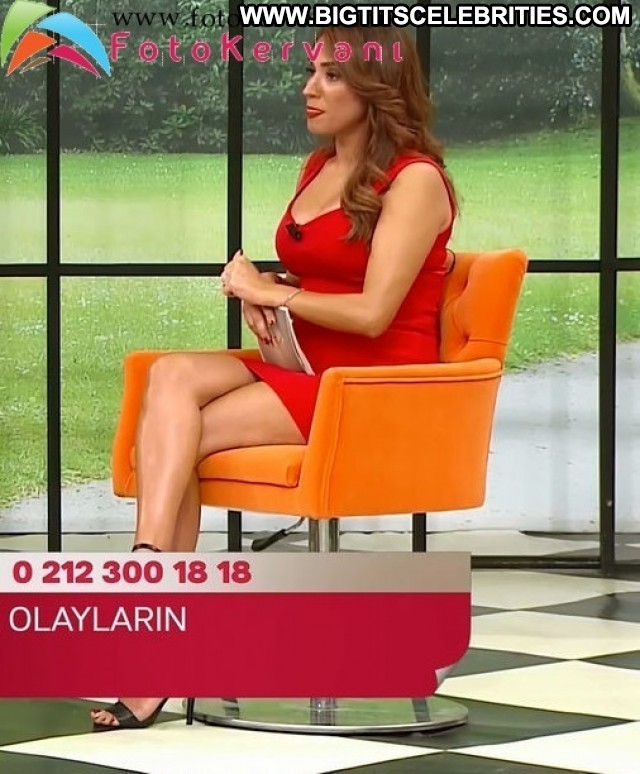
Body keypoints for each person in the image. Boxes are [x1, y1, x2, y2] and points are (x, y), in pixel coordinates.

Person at [90, 24, 457, 731]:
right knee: (170, 378)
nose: (308, 87)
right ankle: (151, 577)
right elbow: (321, 275)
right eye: (311, 70)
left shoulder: (416, 181)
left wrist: (272, 291)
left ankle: (152, 632)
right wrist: (265, 291)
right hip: (302, 362)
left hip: (370, 387)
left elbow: (374, 313)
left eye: (331, 75)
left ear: (377, 87)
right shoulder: (318, 166)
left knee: (181, 436)